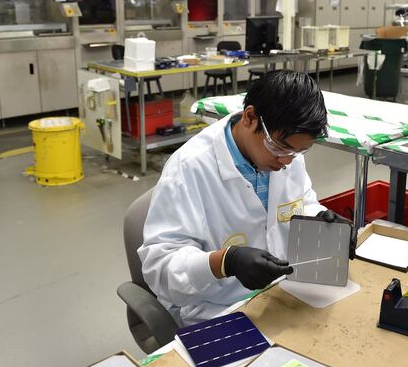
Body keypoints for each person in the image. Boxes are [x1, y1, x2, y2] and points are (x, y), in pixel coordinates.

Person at [139, 70, 345, 325]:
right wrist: (225, 262)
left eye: (299, 150)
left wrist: (319, 220)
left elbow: (301, 202)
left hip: (279, 295)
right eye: (280, 147)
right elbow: (160, 270)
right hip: (217, 310)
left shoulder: (289, 154)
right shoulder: (189, 168)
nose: (286, 161)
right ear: (249, 117)